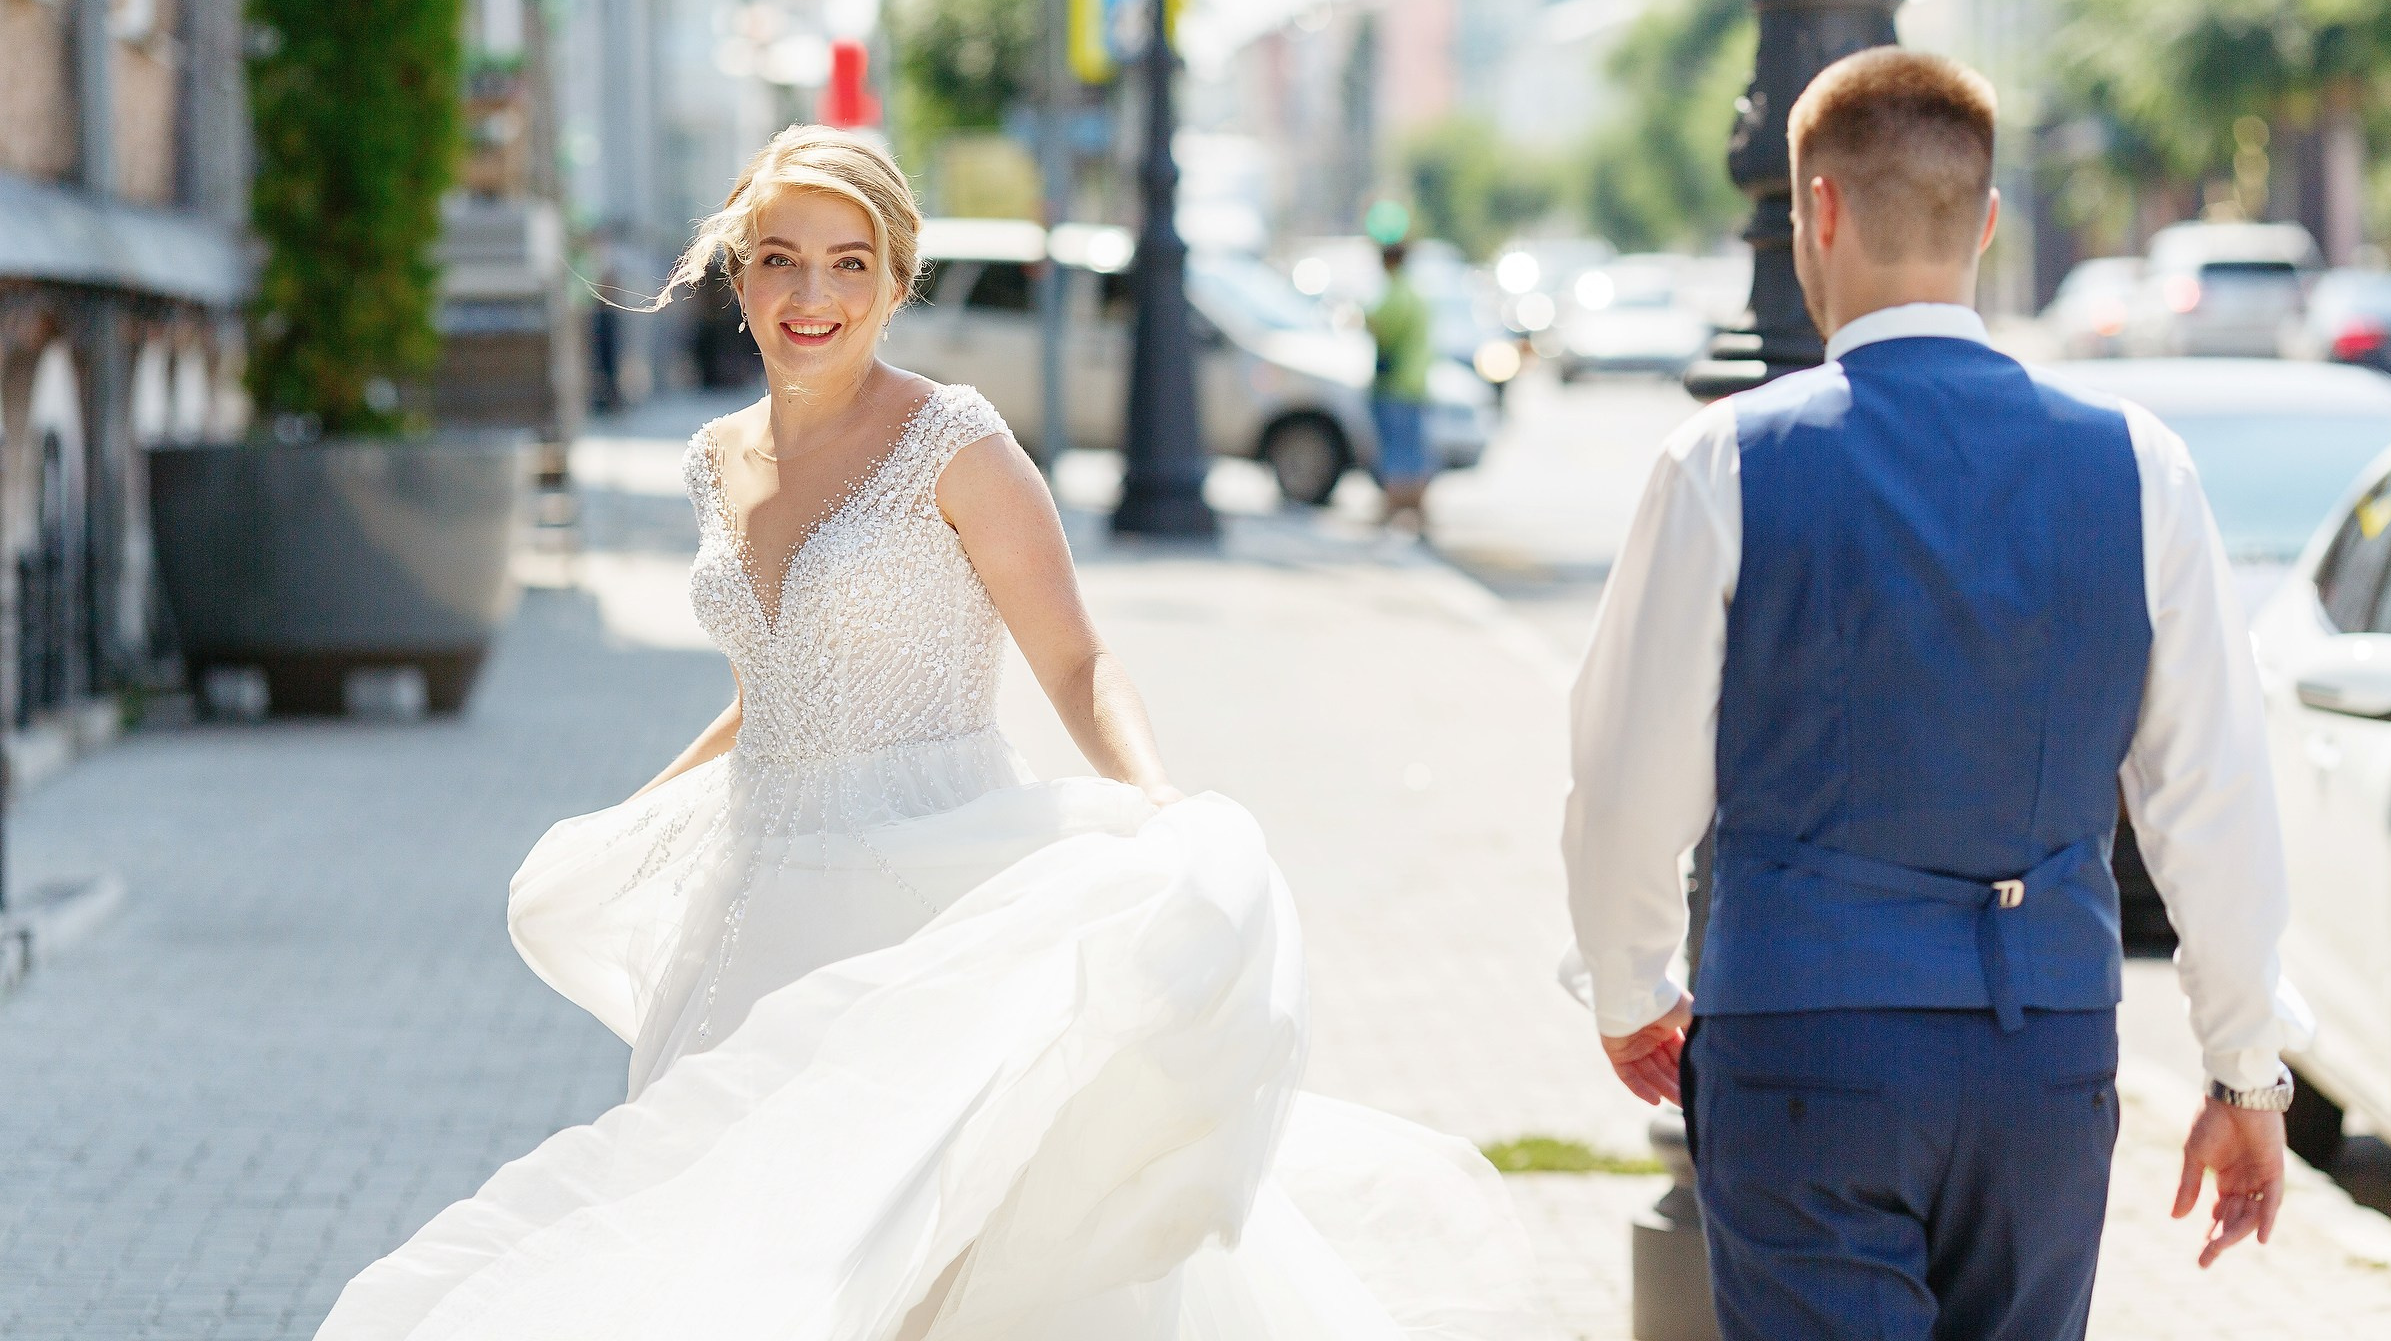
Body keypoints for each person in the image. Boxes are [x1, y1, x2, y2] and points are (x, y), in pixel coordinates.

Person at [314, 126, 1538, 1341]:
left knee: (928, 1267)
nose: (812, 293)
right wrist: (628, 825)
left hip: (931, 896)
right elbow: (772, 690)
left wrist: (1157, 796)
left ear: (898, 283)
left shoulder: (957, 445)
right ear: (737, 274)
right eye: (781, 258)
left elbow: (1075, 657)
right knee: (738, 1254)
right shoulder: (708, 460)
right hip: (753, 914)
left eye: (850, 264)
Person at [1560, 49, 2309, 1339]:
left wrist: (1631, 988)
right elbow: (2214, 798)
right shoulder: (2140, 467)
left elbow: (1628, 784)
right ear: (1990, 221)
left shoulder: (1725, 462)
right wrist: (2245, 1070)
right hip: (2046, 1059)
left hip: (1807, 1047)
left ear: (1821, 212)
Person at [1366, 240, 1436, 531]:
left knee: (1395, 451)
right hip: (1416, 383)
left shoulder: (1395, 294)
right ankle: (1419, 514)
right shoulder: (1417, 294)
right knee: (1414, 451)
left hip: (1396, 383)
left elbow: (1380, 329)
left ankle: (1391, 510)